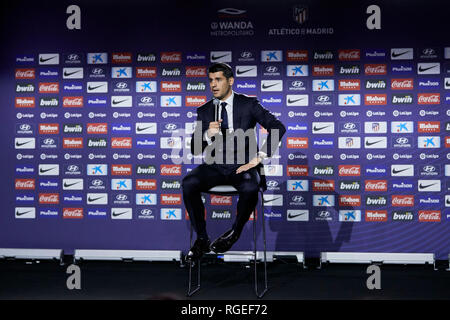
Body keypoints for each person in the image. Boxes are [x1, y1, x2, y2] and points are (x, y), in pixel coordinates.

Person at [182, 62, 286, 261]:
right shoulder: (204, 111)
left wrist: (259, 158)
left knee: (250, 187)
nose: (213, 84)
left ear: (230, 81)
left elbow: (277, 127)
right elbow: (195, 148)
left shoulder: (248, 104)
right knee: (189, 183)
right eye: (211, 80)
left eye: (218, 79)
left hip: (242, 166)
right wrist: (206, 135)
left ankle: (234, 232)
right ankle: (202, 239)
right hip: (214, 166)